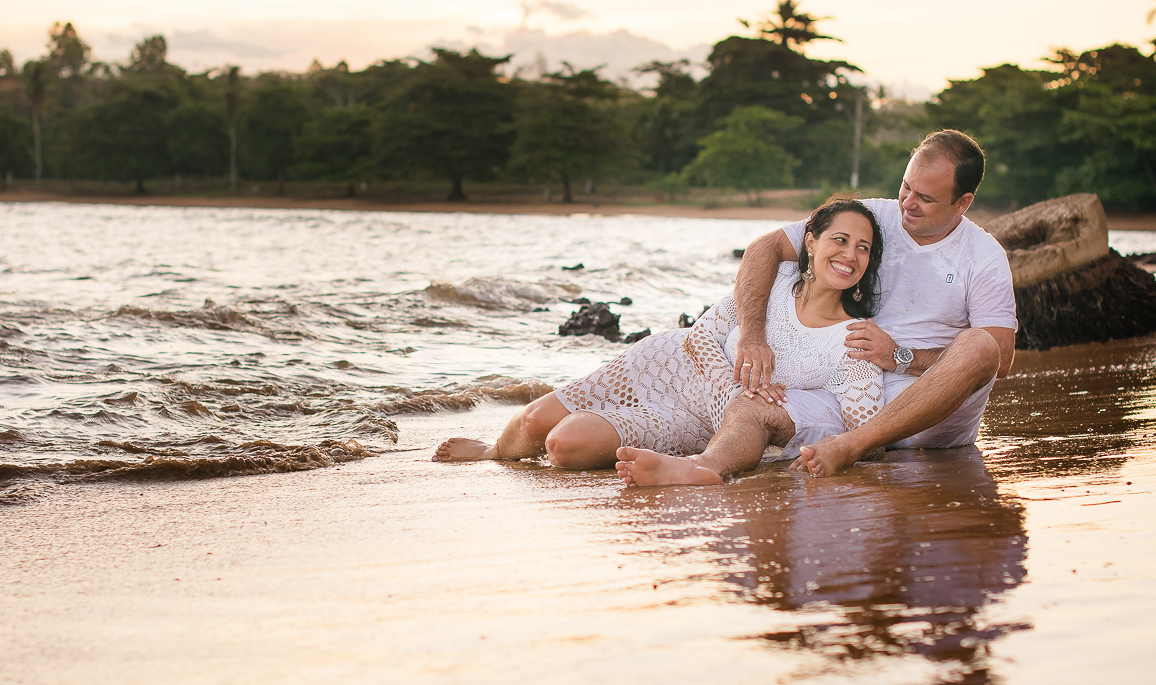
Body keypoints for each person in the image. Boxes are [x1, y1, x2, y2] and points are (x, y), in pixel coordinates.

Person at [616, 129, 1017, 487]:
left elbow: (997, 359)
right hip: (843, 398)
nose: (907, 204)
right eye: (906, 187)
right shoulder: (875, 216)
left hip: (925, 417)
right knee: (754, 406)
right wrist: (753, 337)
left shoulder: (983, 256)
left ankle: (855, 446)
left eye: (925, 198)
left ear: (963, 203)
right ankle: (703, 468)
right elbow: (766, 248)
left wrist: (898, 356)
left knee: (980, 344)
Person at [433, 198, 885, 469]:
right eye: (840, 240)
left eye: (863, 248)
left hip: (695, 421)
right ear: (811, 242)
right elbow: (700, 336)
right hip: (663, 364)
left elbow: (863, 428)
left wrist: (766, 417)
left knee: (564, 445)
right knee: (533, 421)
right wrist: (736, 390)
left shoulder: (853, 339)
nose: (850, 255)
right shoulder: (778, 281)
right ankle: (496, 450)